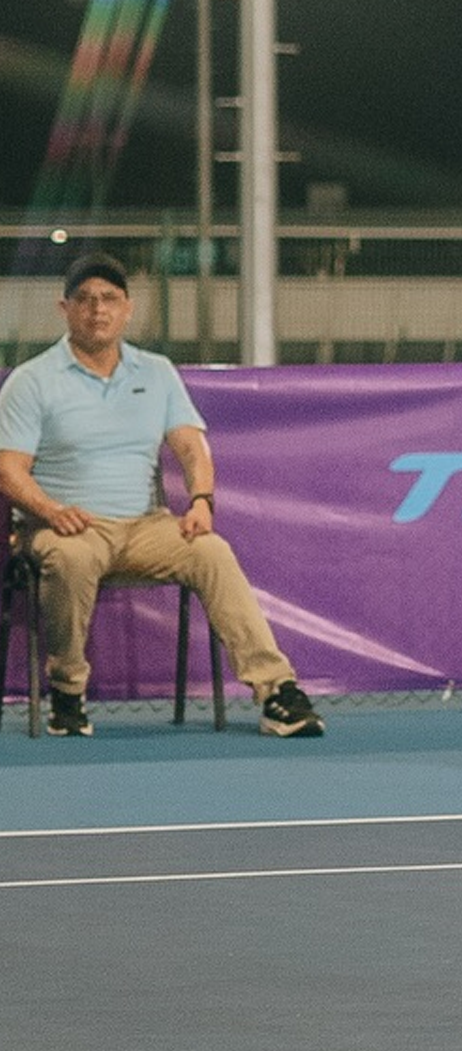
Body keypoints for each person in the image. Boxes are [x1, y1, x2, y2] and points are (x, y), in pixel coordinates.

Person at [0, 252, 325, 738]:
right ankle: (68, 693)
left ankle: (277, 691)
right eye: (85, 300)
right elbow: (9, 470)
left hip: (144, 526)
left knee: (211, 551)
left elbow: (192, 446)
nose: (98, 310)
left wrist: (200, 501)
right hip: (67, 527)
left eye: (109, 299)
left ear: (128, 308)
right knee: (69, 559)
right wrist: (51, 510)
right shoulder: (32, 380)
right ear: (64, 308)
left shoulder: (156, 373)